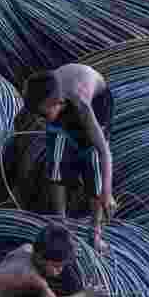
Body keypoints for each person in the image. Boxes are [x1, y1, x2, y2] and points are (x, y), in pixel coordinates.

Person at [23, 63, 117, 254]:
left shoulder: (82, 104)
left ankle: (95, 233)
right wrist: (47, 116)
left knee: (93, 166)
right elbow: (44, 109)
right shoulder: (41, 89)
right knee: (56, 162)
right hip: (63, 100)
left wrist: (107, 192)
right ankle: (61, 222)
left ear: (57, 103)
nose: (41, 120)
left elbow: (104, 153)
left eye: (43, 114)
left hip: (96, 104)